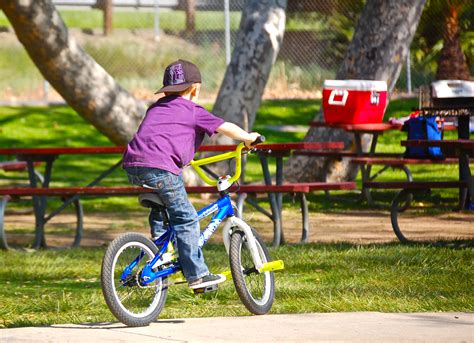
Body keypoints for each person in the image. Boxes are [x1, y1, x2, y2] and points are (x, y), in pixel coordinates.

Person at [122, 59, 261, 290]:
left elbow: (161, 135)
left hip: (134, 165)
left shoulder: (156, 107)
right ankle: (197, 275)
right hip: (162, 168)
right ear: (195, 89)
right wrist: (248, 137)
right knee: (186, 218)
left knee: (163, 209)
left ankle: (158, 252)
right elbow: (225, 126)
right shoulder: (193, 110)